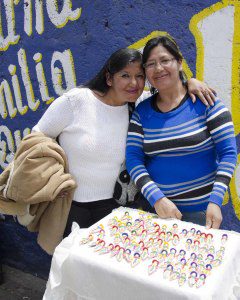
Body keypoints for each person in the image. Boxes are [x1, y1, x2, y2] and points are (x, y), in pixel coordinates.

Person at [33, 47, 216, 236]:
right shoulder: (76, 101)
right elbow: (37, 138)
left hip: (118, 208)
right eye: (125, 75)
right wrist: (53, 180)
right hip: (72, 206)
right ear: (109, 78)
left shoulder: (140, 104)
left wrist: (189, 82)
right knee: (72, 262)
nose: (134, 83)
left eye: (140, 76)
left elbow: (170, 90)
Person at [126, 35, 237, 229]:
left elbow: (228, 154)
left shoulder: (207, 103)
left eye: (165, 60)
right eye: (150, 64)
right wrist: (157, 199)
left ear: (179, 62)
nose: (158, 68)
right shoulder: (141, 113)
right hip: (159, 214)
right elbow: (134, 160)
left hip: (204, 213)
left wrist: (215, 201)